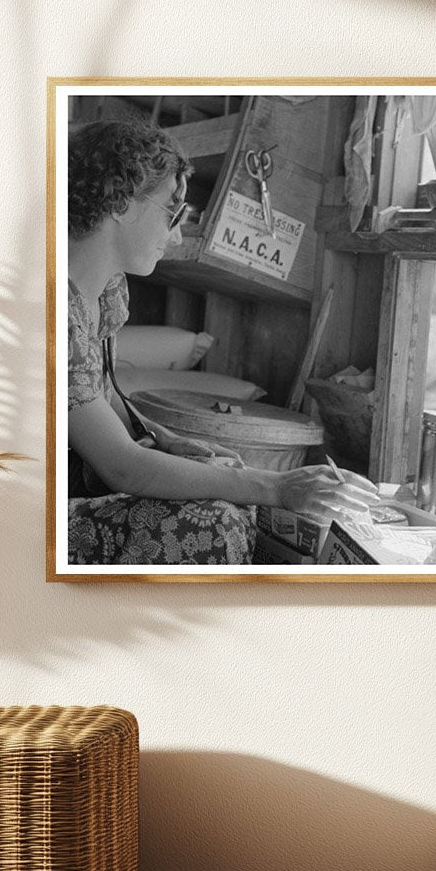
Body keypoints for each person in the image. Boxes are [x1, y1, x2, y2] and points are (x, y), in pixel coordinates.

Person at [65, 119, 375, 564]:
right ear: (120, 199)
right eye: (173, 213)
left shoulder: (108, 288)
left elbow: (99, 395)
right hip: (30, 508)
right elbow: (121, 465)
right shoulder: (51, 309)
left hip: (81, 473)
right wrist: (277, 485)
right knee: (216, 523)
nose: (176, 236)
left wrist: (167, 438)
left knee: (222, 482)